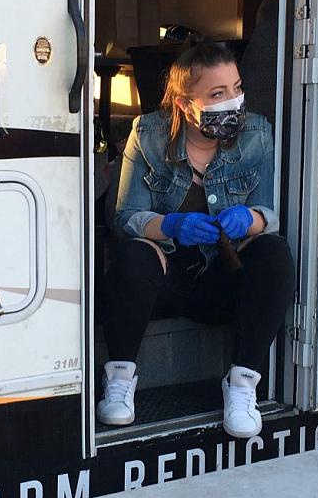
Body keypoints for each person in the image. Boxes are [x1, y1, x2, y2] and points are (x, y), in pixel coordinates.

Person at [99, 39, 293, 437]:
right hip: (166, 278)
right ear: (187, 104)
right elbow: (125, 217)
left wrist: (251, 218)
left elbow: (269, 214)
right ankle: (120, 380)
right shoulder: (148, 132)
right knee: (133, 257)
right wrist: (170, 225)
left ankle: (241, 385)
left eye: (237, 88)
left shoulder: (257, 132)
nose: (233, 102)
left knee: (274, 253)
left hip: (224, 278)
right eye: (217, 94)